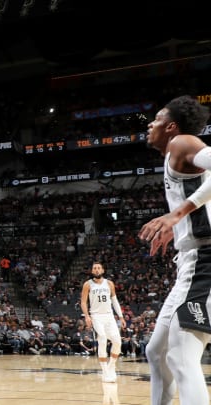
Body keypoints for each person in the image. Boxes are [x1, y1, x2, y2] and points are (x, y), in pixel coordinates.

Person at [138, 95, 211, 405]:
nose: (149, 124)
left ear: (170, 126)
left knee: (182, 357)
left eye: (156, 119)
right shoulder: (173, 156)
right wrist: (179, 229)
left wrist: (177, 215)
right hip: (191, 261)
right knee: (157, 352)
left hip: (206, 260)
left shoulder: (181, 142)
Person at [80, 262, 125, 383]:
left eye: (99, 268)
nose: (97, 270)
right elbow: (83, 302)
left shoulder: (109, 283)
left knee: (117, 341)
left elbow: (114, 301)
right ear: (92, 271)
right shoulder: (87, 285)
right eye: (94, 268)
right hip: (96, 316)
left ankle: (111, 367)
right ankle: (105, 372)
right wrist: (87, 317)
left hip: (109, 316)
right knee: (103, 339)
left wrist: (121, 317)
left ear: (103, 270)